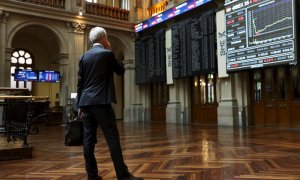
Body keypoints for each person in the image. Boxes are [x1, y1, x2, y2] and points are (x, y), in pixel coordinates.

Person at [77, 27, 143, 180]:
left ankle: (92, 176)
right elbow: (120, 71)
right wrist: (111, 51)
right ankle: (123, 175)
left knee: (88, 140)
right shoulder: (106, 54)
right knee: (112, 138)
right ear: (103, 38)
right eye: (106, 38)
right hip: (101, 101)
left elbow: (80, 83)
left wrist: (79, 104)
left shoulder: (84, 57)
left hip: (86, 103)